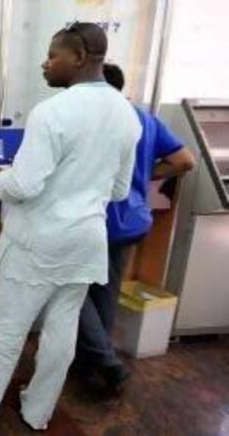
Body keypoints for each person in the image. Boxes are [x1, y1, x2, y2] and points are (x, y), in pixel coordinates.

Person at [0, 23, 142, 430]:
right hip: (87, 242)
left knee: (5, 331)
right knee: (62, 331)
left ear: (80, 57)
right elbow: (120, 190)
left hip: (39, 242)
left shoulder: (53, 111)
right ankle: (37, 411)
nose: (44, 63)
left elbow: (23, 185)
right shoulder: (127, 113)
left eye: (53, 55)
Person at [75, 63, 195, 391]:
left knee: (69, 289)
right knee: (106, 293)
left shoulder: (97, 120)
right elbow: (186, 160)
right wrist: (144, 175)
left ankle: (106, 360)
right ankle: (89, 363)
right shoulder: (144, 118)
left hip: (96, 219)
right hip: (132, 220)